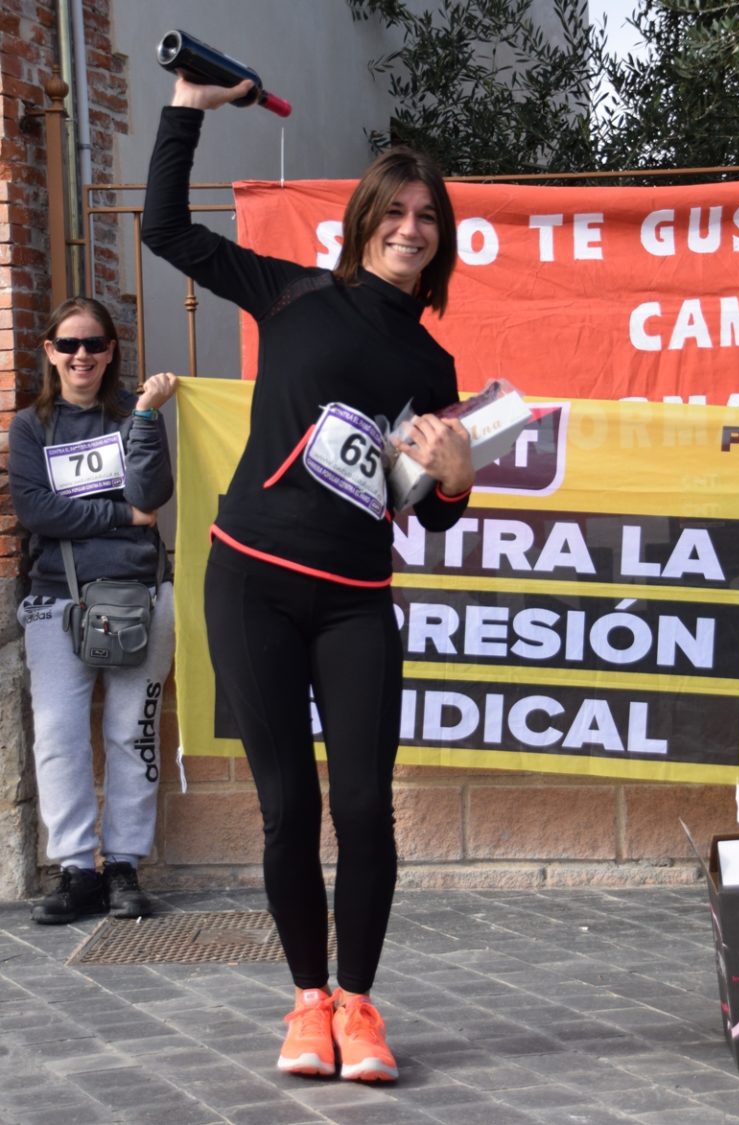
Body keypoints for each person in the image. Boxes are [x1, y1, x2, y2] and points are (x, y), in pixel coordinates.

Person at [141, 74, 474, 1084]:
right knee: (288, 807)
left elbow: (426, 510)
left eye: (426, 217)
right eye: (395, 211)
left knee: (366, 809)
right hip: (252, 583)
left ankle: (359, 1006)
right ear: (364, 220)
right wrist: (186, 107)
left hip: (356, 601)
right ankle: (306, 1003)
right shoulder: (291, 293)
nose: (409, 228)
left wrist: (457, 480)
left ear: (440, 239)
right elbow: (164, 229)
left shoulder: (433, 366)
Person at [8, 296, 178, 925]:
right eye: (69, 344)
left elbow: (152, 493)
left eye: (95, 344)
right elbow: (37, 511)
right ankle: (76, 869)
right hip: (57, 599)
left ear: (111, 352)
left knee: (133, 734)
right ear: (50, 352)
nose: (82, 355)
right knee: (58, 736)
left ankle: (124, 866)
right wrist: (122, 517)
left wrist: (146, 416)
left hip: (139, 597)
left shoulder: (135, 415)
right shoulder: (30, 427)